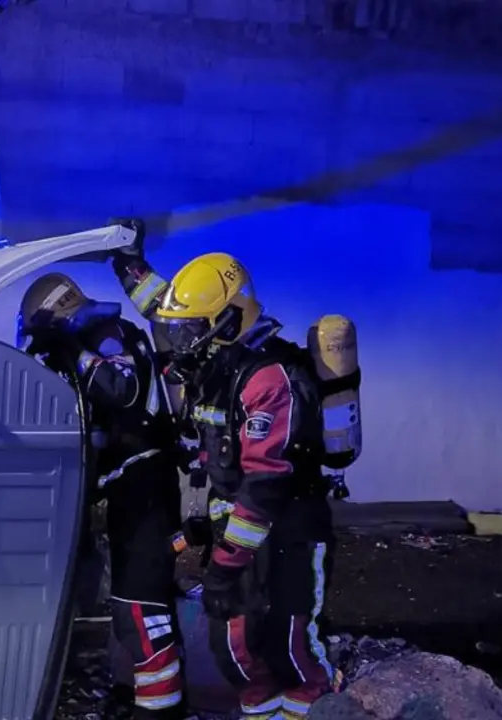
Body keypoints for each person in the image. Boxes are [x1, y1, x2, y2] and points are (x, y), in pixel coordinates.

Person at [111, 236, 337, 720]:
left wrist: (224, 566)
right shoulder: (212, 364)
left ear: (230, 321)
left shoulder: (269, 379)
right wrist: (129, 267)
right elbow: (163, 310)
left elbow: (264, 486)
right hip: (239, 535)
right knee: (237, 652)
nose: (179, 341)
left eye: (192, 330)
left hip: (290, 533)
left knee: (293, 653)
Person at [18, 273, 188, 719]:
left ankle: (159, 710)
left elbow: (122, 389)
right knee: (128, 606)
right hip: (127, 487)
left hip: (147, 487)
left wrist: (74, 353)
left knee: (142, 606)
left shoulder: (110, 337)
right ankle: (139, 696)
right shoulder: (94, 339)